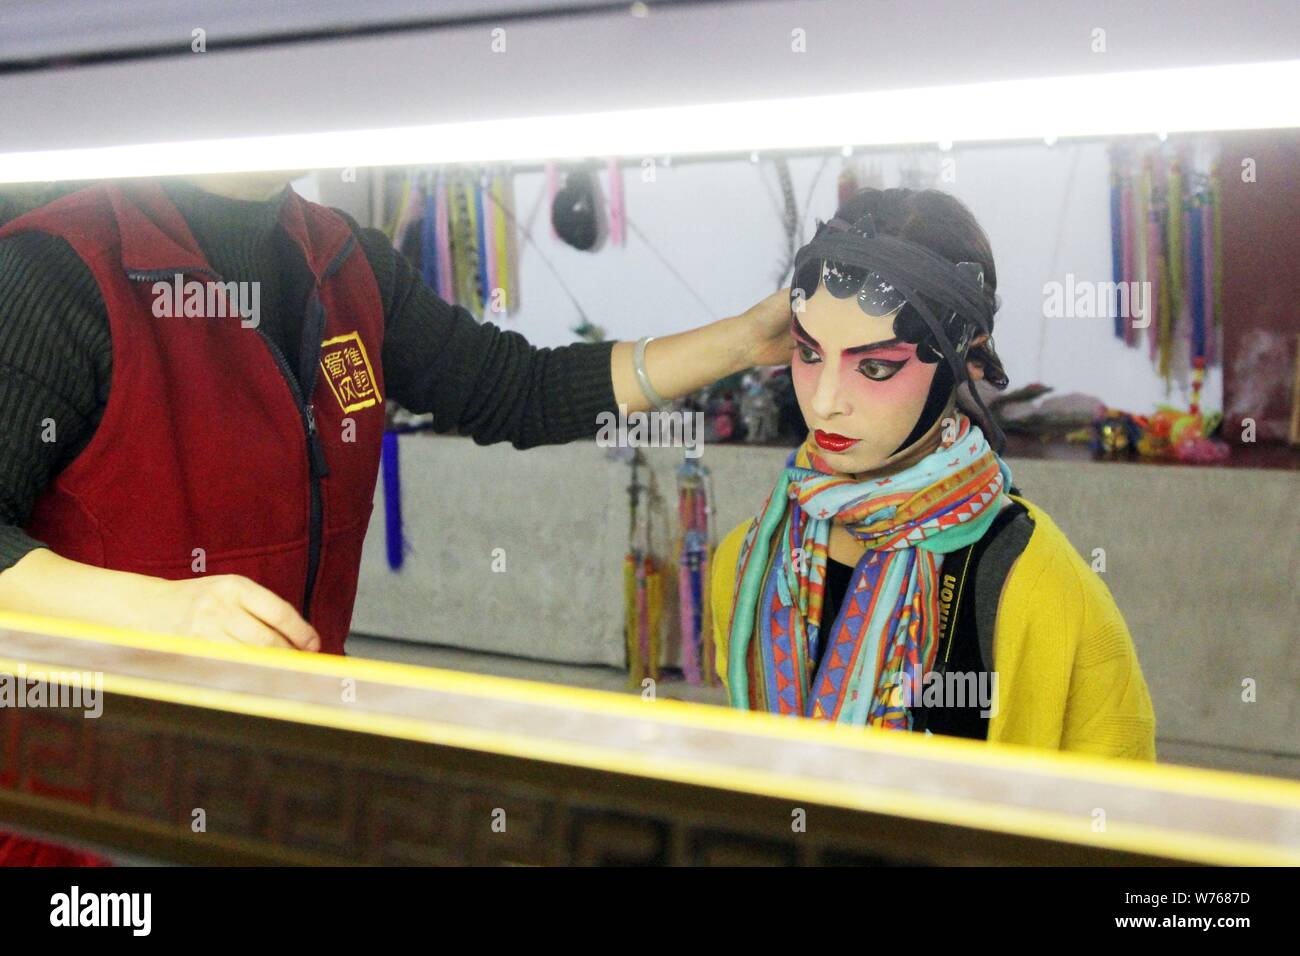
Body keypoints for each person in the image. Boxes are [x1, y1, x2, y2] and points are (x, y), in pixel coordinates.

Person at [0, 171, 792, 863]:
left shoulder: (343, 260)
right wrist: (163, 608)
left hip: (277, 783)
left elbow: (513, 387)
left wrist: (744, 342)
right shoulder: (57, 271)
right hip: (78, 804)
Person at [710, 187, 1156, 759]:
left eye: (875, 366)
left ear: (968, 359)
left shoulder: (1039, 585)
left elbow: (1117, 817)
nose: (824, 402)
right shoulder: (750, 564)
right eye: (810, 353)